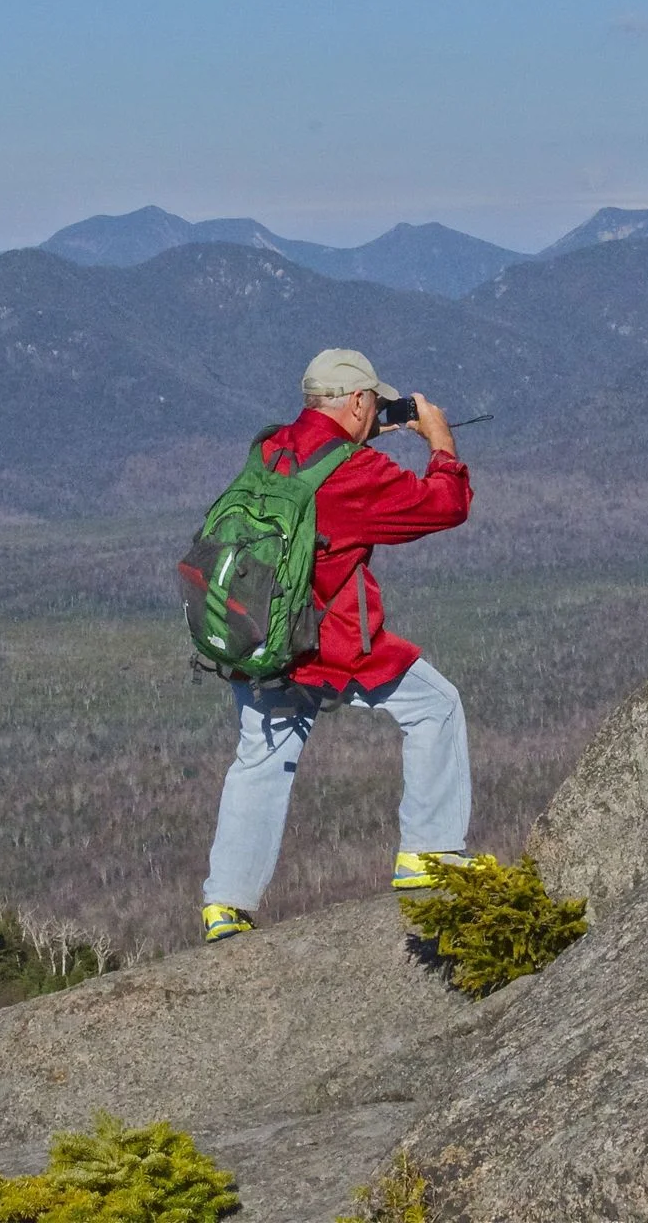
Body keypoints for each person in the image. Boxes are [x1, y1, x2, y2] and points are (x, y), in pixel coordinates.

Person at [200, 347, 475, 944]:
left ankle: (225, 905)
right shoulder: (356, 473)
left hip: (257, 635)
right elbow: (445, 505)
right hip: (328, 641)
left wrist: (368, 432)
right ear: (357, 402)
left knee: (261, 758)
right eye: (372, 402)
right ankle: (430, 856)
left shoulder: (271, 448)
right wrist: (440, 442)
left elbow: (318, 480)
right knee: (437, 706)